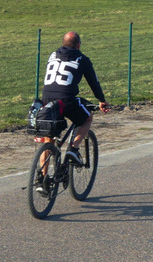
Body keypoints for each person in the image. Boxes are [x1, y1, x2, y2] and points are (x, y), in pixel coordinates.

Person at [41, 31, 109, 164]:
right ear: (78, 45)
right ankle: (73, 148)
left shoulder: (53, 55)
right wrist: (102, 100)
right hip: (66, 100)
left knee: (48, 140)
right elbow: (93, 82)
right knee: (87, 117)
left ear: (63, 44)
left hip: (46, 99)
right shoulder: (82, 59)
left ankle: (41, 182)